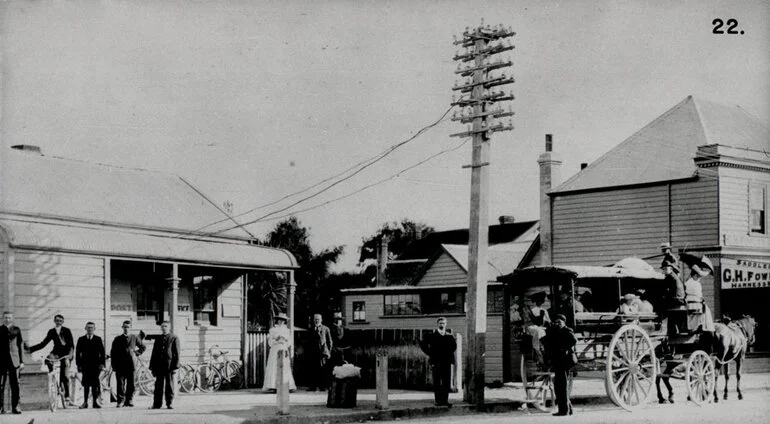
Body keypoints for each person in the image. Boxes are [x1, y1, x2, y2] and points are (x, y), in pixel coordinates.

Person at [26, 314, 75, 405]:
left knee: (65, 374)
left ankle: (67, 394)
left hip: (66, 353)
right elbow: (44, 343)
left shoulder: (67, 330)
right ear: (54, 321)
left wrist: (70, 356)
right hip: (56, 352)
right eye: (57, 320)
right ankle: (52, 375)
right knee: (48, 360)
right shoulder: (52, 331)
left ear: (63, 322)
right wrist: (31, 349)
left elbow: (71, 345)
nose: (58, 322)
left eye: (60, 320)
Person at [419, 317, 456, 407]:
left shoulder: (449, 336)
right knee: (437, 382)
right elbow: (423, 344)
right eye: (440, 323)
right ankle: (438, 401)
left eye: (443, 323)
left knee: (446, 382)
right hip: (436, 362)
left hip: (446, 362)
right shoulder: (432, 336)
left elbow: (454, 347)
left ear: (446, 324)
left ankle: (445, 401)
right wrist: (431, 353)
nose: (442, 325)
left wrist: (448, 354)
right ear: (437, 324)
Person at [545, 314, 577, 416]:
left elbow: (573, 341)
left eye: (560, 322)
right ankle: (568, 409)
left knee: (561, 386)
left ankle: (564, 411)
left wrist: (564, 348)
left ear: (564, 322)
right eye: (556, 322)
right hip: (558, 361)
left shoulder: (567, 330)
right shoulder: (555, 331)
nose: (557, 324)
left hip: (564, 361)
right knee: (559, 386)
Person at [110, 320, 146, 407]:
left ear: (131, 328)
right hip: (120, 365)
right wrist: (114, 365)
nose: (126, 329)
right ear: (122, 328)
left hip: (131, 364)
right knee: (120, 384)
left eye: (128, 327)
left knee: (131, 384)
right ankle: (120, 401)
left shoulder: (134, 337)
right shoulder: (117, 339)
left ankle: (129, 400)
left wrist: (136, 353)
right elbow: (113, 353)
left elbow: (143, 347)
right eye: (125, 327)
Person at [149, 321, 180, 409]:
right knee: (158, 385)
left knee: (169, 385)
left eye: (165, 326)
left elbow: (177, 353)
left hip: (169, 366)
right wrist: (152, 366)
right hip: (159, 366)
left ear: (169, 327)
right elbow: (154, 353)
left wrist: (175, 366)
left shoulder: (174, 337)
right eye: (162, 326)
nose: (164, 328)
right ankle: (157, 404)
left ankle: (169, 403)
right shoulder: (158, 338)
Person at [262, 313, 296, 392]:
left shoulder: (287, 330)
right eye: (279, 320)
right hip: (275, 349)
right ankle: (273, 386)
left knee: (284, 366)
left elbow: (290, 342)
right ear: (277, 320)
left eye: (282, 320)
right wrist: (276, 339)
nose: (281, 322)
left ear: (284, 321)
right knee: (274, 366)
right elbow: (270, 342)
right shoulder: (273, 330)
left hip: (283, 348)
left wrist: (285, 340)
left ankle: (286, 385)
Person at [75, 321, 106, 409]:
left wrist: (102, 364)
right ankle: (85, 402)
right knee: (86, 384)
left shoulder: (98, 339)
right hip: (85, 366)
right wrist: (78, 365)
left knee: (95, 384)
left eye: (91, 328)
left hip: (96, 366)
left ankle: (95, 402)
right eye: (88, 327)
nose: (90, 329)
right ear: (85, 328)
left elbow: (102, 352)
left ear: (94, 329)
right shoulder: (81, 339)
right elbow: (77, 353)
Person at [0, 311, 24, 414]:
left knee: (15, 385)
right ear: (2, 318)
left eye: (9, 318)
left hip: (14, 360)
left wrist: (22, 361)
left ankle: (15, 407)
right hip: (1, 361)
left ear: (12, 319)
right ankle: (0, 408)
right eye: (5, 318)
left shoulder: (16, 330)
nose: (7, 319)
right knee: (1, 384)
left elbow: (20, 346)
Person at [684, 264, 715, 332]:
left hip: (689, 304)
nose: (699, 279)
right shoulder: (696, 284)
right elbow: (699, 295)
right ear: (695, 276)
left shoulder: (687, 282)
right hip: (695, 304)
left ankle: (693, 326)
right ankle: (703, 326)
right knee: (706, 310)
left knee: (700, 309)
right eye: (698, 277)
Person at [307, 313, 333, 392]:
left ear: (321, 320)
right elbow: (308, 341)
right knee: (313, 369)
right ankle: (313, 387)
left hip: (323, 353)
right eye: (315, 319)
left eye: (318, 319)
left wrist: (328, 352)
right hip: (313, 352)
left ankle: (323, 386)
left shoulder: (325, 329)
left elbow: (330, 341)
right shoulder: (311, 329)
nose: (316, 320)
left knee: (323, 369)